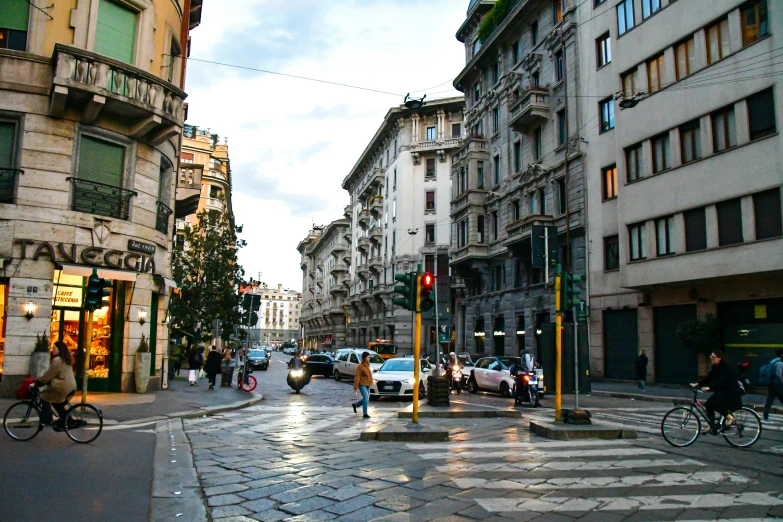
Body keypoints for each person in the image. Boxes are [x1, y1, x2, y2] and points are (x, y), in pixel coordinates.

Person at [691, 350, 743, 434]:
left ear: (719, 358)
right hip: (723, 390)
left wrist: (709, 388)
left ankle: (729, 417)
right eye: (711, 356)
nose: (711, 358)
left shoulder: (725, 368)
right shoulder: (716, 366)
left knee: (714, 403)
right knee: (708, 404)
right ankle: (711, 425)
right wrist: (697, 384)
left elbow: (720, 380)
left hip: (730, 391)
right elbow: (709, 377)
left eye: (713, 357)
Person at [35, 341, 77, 429]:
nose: (52, 349)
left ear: (59, 349)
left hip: (61, 386)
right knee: (57, 403)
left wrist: (39, 382)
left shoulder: (57, 360)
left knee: (45, 397)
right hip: (70, 386)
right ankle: (68, 421)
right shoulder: (66, 359)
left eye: (54, 348)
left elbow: (49, 375)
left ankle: (47, 419)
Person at [762, 349, 783, 423]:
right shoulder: (780, 363)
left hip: (771, 384)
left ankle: (765, 417)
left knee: (769, 401)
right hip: (777, 384)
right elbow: (779, 375)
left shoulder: (772, 361)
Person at [352, 352, 373, 419]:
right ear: (364, 358)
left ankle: (356, 405)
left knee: (366, 399)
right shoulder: (360, 366)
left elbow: (369, 375)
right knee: (366, 398)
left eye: (369, 357)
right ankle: (365, 413)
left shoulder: (368, 365)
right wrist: (355, 386)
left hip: (367, 384)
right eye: (368, 357)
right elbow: (357, 376)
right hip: (362, 384)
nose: (369, 358)